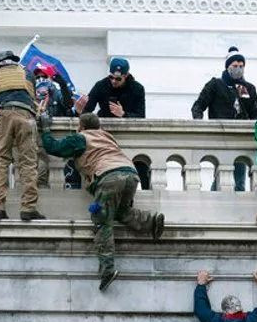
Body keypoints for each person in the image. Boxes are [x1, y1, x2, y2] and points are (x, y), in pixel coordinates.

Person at [40, 111, 165, 289]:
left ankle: (107, 268)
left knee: (102, 220)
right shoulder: (108, 137)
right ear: (98, 126)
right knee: (119, 211)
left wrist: (45, 128)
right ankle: (151, 222)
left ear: (81, 127)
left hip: (109, 178)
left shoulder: (81, 138)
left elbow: (54, 148)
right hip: (130, 175)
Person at [0, 50, 43, 221]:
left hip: (3, 114)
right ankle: (28, 208)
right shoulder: (28, 74)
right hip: (25, 115)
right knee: (28, 163)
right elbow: (31, 97)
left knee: (1, 160)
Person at [192, 47, 257, 191]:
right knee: (222, 174)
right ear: (228, 66)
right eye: (235, 66)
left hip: (242, 137)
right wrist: (200, 125)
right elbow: (198, 106)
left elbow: (255, 113)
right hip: (221, 135)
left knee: (239, 178)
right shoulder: (216, 85)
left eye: (241, 66)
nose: (238, 69)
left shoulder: (247, 88)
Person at [80, 58, 146, 120]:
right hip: (104, 123)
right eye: (111, 77)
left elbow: (141, 115)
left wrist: (123, 114)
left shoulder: (137, 89)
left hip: (127, 126)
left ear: (126, 76)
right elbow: (87, 109)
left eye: (118, 79)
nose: (114, 81)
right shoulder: (101, 85)